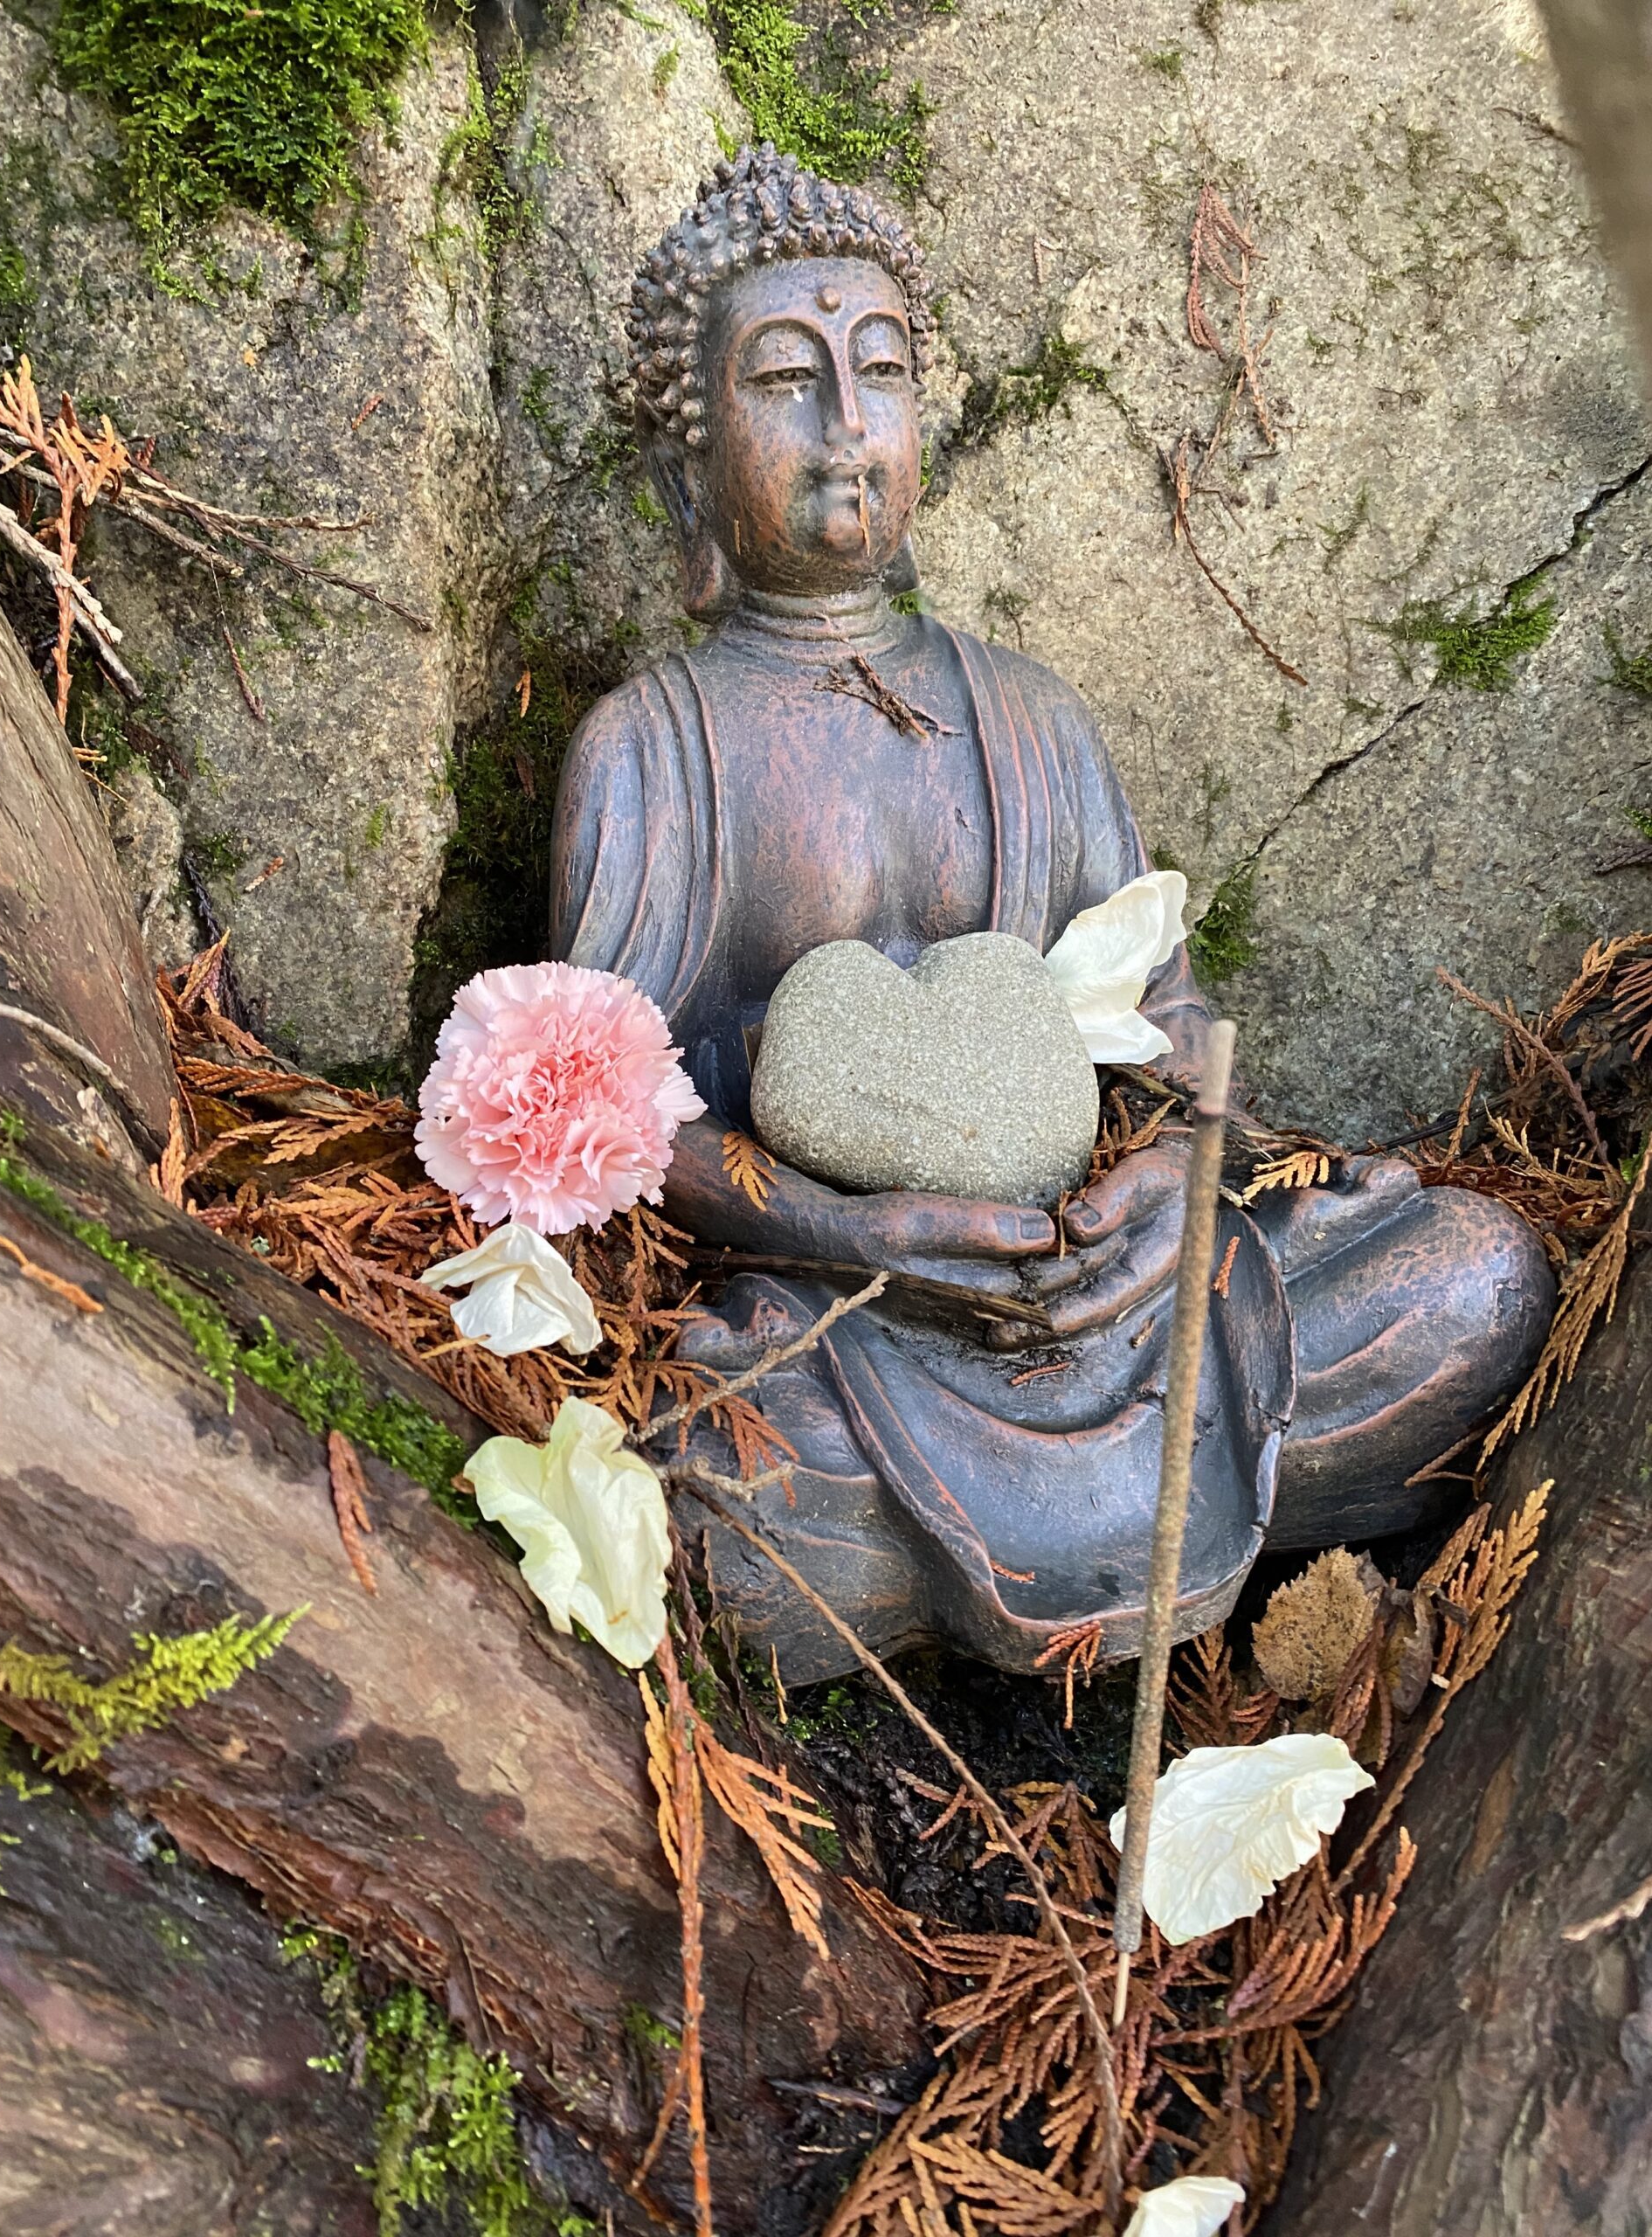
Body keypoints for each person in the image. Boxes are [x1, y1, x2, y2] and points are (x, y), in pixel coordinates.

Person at [550, 145, 1554, 1682]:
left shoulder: (1028, 715)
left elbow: (1173, 1014)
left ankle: (1046, 1553)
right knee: (701, 1497)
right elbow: (608, 1105)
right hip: (855, 1337)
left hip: (1113, 1291)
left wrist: (1173, 1182)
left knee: (1472, 1277)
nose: (843, 430)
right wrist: (843, 1227)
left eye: (878, 373)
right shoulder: (651, 747)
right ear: (689, 464)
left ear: (927, 427)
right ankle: (1076, 1551)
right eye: (782, 380)